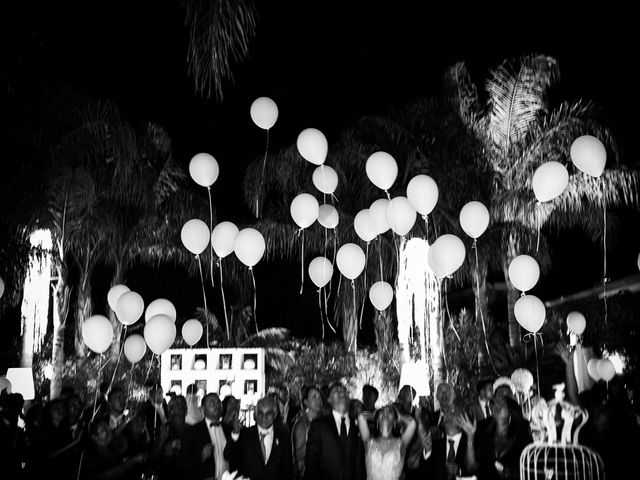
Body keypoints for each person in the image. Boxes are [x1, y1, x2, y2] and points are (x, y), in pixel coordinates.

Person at [303, 382, 365, 480]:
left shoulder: (358, 427)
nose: (341, 392)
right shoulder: (318, 425)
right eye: (336, 391)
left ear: (349, 398)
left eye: (344, 390)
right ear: (329, 400)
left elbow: (359, 464)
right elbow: (311, 463)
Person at [225, 395, 293, 480]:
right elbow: (227, 455)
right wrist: (235, 434)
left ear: (275, 415)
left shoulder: (283, 437)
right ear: (256, 415)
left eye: (268, 413)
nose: (264, 417)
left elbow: (288, 469)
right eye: (261, 413)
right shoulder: (244, 434)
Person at [465, 396, 532, 480]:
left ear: (511, 412)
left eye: (502, 404)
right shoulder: (481, 430)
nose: (496, 406)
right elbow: (470, 468)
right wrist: (470, 437)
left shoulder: (522, 435)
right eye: (495, 404)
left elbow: (529, 469)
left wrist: (508, 473)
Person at [355, 401, 416, 480]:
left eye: (389, 411)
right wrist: (374, 415)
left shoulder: (401, 444)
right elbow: (361, 417)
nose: (385, 413)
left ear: (395, 420)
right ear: (376, 420)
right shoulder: (369, 442)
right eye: (382, 411)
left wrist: (399, 416)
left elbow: (412, 423)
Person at [177, 392, 231, 480]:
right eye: (212, 403)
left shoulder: (229, 430)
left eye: (218, 402)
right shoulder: (192, 432)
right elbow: (182, 464)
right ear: (203, 409)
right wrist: (201, 457)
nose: (217, 406)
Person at [423, 406, 475, 480]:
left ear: (464, 419)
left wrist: (458, 471)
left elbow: (474, 469)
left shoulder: (471, 442)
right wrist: (428, 452)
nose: (448, 416)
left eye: (453, 413)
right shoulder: (435, 444)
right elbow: (426, 473)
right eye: (446, 413)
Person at [292, 385, 323, 479]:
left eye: (319, 397)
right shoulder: (302, 425)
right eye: (314, 397)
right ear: (306, 402)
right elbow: (300, 459)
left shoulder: (318, 422)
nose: (319, 400)